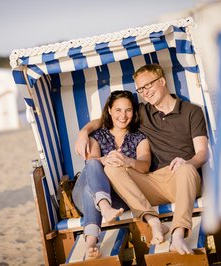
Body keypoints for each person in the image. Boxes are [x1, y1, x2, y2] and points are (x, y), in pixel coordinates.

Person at [75, 63, 209, 255]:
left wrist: (188, 163)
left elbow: (202, 153)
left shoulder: (191, 112)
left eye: (148, 86)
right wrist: (84, 132)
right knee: (113, 167)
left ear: (162, 81)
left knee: (186, 169)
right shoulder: (142, 113)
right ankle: (153, 221)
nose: (145, 93)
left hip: (181, 178)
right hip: (151, 183)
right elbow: (109, 118)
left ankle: (178, 235)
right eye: (140, 89)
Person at [72, 90, 151, 259]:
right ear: (109, 110)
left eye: (128, 110)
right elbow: (92, 160)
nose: (123, 115)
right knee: (93, 164)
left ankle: (91, 242)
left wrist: (126, 161)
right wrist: (106, 159)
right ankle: (104, 207)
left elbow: (145, 166)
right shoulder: (98, 135)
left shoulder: (138, 138)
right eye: (118, 110)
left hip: (119, 198)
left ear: (134, 112)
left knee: (89, 191)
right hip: (89, 196)